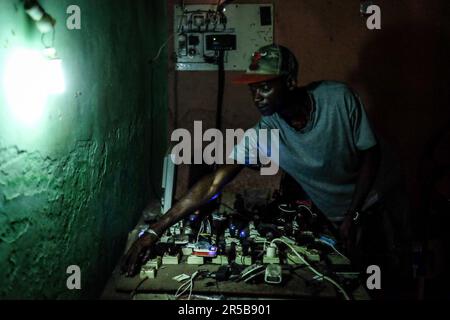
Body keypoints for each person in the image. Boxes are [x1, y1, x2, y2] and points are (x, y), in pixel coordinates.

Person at [121, 44, 380, 276]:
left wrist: (354, 215)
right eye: (253, 88)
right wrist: (156, 230)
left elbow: (371, 154)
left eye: (265, 86)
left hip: (377, 201)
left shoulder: (338, 99)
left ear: (290, 81)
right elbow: (213, 184)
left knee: (389, 277)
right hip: (338, 217)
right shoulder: (262, 134)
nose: (257, 96)